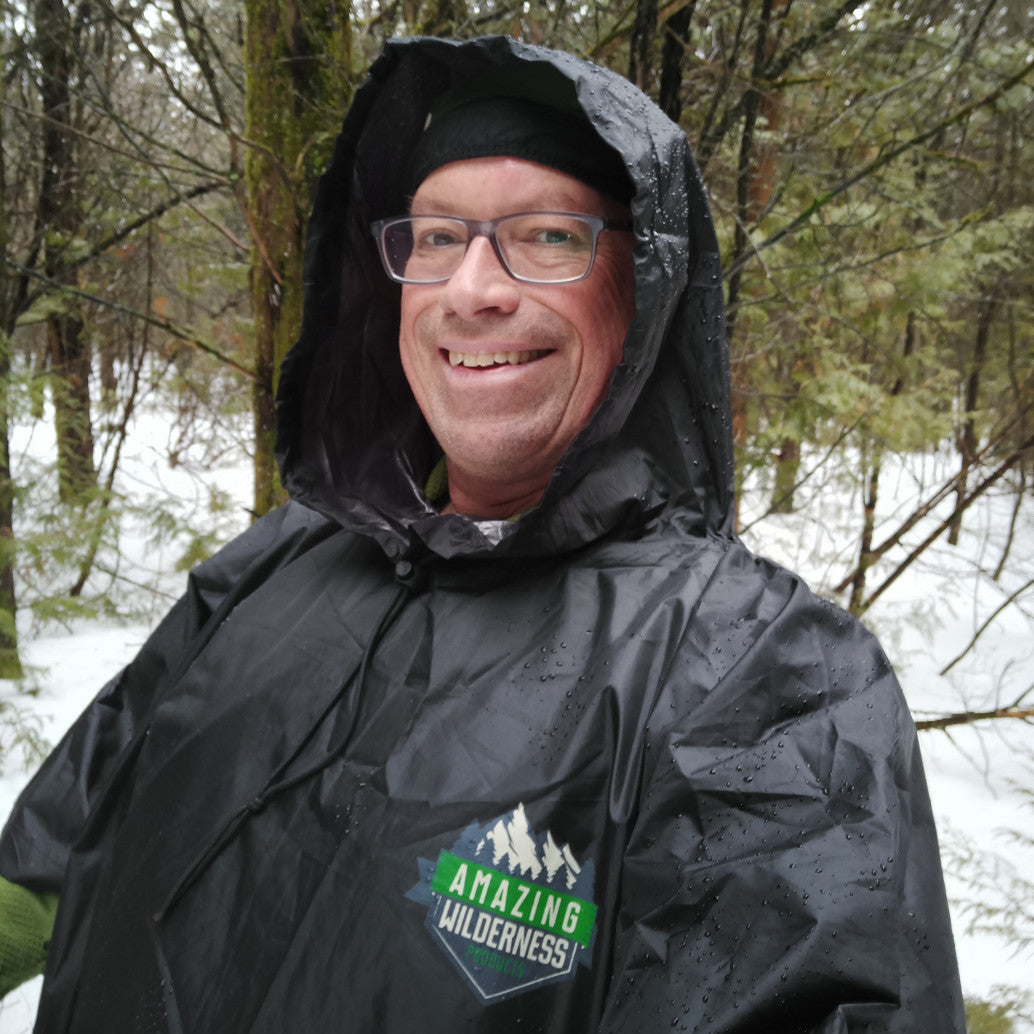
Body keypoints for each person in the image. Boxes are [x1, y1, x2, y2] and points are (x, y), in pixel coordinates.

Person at [0, 35, 965, 1033]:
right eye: (435, 238)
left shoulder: (758, 677)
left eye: (546, 236)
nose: (473, 289)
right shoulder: (281, 560)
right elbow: (68, 832)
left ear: (642, 285)